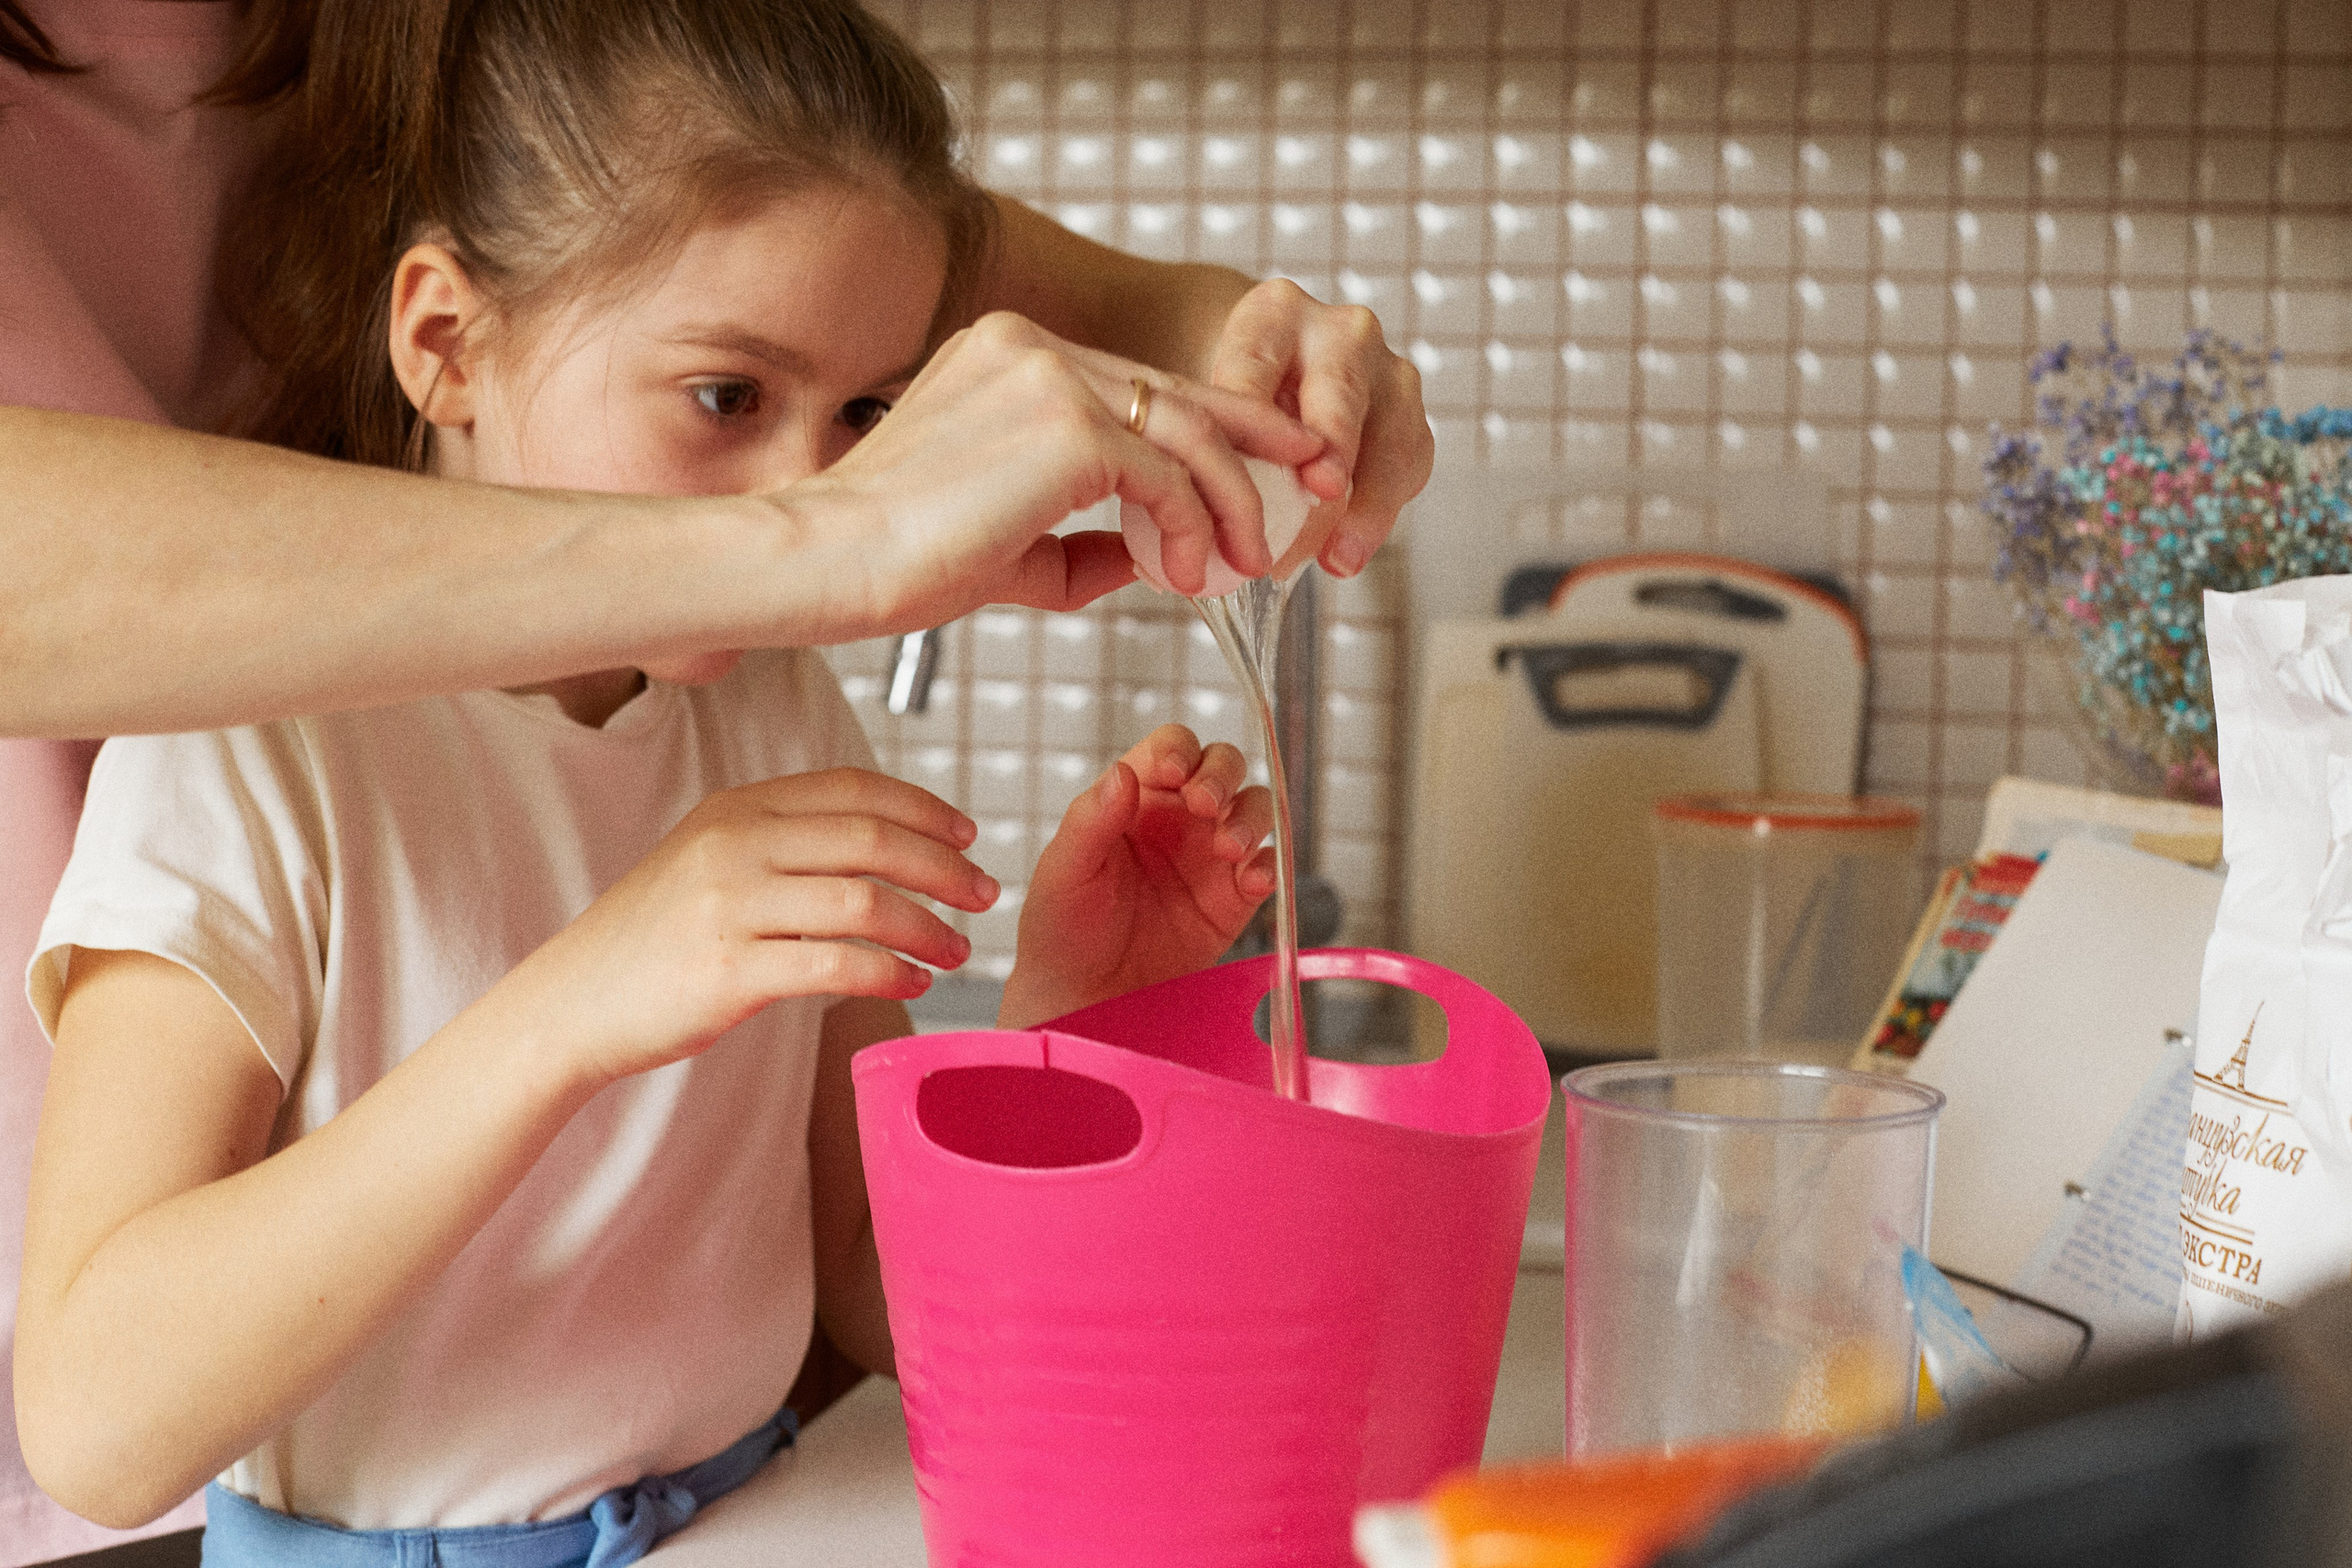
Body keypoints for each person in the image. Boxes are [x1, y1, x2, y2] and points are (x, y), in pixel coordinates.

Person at [0, 1, 1429, 1560]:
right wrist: (577, 1002)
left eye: (869, 414)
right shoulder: (255, 741)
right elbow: (96, 1419)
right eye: (728, 401)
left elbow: (887, 1302)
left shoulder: (776, 713)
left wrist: (1066, 1028)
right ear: (444, 343)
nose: (820, 496)